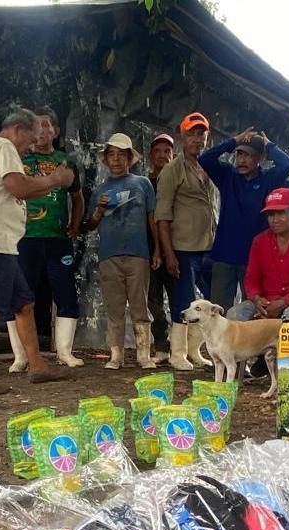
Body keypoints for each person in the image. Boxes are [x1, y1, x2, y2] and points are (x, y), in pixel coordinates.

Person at [0, 108, 75, 386]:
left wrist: (53, 183)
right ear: (17, 129)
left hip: (2, 242)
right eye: (30, 140)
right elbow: (20, 188)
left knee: (24, 303)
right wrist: (55, 179)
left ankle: (37, 365)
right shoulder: (3, 146)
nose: (31, 148)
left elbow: (26, 187)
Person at [10, 107, 85, 372]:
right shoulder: (18, 158)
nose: (42, 130)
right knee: (20, 295)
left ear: (56, 131)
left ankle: (65, 352)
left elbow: (77, 197)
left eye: (47, 125)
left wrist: (75, 225)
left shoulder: (67, 162)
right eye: (37, 126)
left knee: (65, 292)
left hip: (57, 240)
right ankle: (21, 357)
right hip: (25, 239)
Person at [84, 133, 160, 369]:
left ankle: (143, 355)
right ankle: (116, 355)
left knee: (140, 305)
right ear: (105, 159)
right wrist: (99, 209)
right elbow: (90, 224)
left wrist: (157, 249)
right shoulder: (100, 191)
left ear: (130, 158)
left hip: (139, 253)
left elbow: (152, 219)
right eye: (111, 154)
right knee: (114, 306)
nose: (116, 159)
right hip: (110, 255)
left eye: (121, 154)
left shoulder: (142, 184)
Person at [198, 127, 289, 311]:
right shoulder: (227, 176)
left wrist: (269, 145)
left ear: (259, 158)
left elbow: (287, 165)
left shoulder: (268, 179)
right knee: (218, 311)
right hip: (224, 256)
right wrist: (234, 141)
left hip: (254, 258)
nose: (241, 160)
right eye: (239, 155)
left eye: (248, 156)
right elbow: (205, 158)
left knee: (253, 310)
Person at [155, 112, 219, 371]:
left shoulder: (211, 167)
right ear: (182, 137)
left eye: (201, 134)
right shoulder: (172, 170)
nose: (196, 139)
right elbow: (162, 216)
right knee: (183, 301)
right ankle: (177, 354)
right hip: (183, 248)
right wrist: (169, 254)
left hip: (211, 247)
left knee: (213, 301)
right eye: (191, 133)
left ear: (207, 137)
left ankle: (196, 351)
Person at [227, 188, 289, 321]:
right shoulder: (259, 241)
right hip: (265, 303)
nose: (275, 220)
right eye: (270, 214)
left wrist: (285, 301)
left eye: (280, 213)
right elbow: (251, 279)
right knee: (234, 314)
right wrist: (257, 299)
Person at [146, 133, 176, 358]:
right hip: (149, 249)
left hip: (178, 247)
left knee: (178, 299)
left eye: (167, 151)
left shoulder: (179, 182)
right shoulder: (145, 183)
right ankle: (161, 344)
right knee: (153, 298)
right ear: (150, 156)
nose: (162, 155)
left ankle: (182, 349)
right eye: (157, 151)